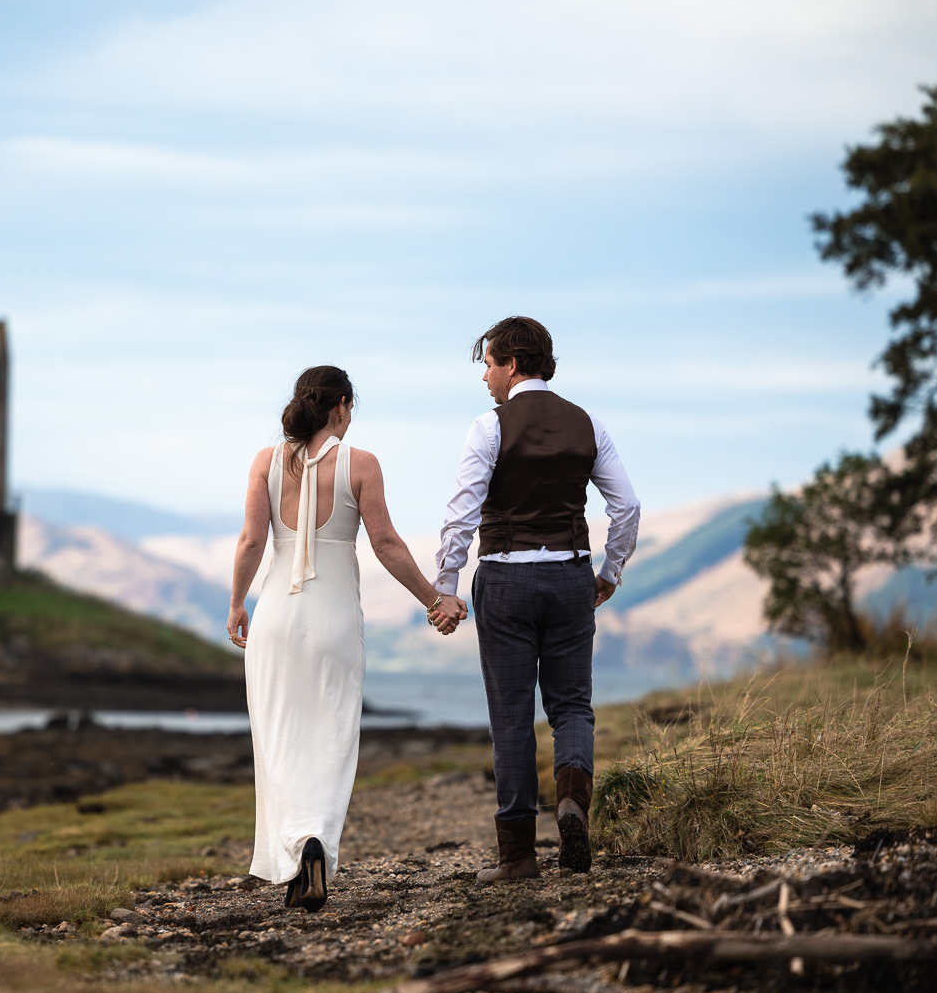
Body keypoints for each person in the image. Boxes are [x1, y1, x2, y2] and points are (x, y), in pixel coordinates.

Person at [228, 365, 462, 912]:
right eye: (350, 409)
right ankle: (316, 842)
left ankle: (294, 852)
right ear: (341, 407)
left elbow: (249, 541)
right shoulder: (361, 464)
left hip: (275, 620)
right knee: (331, 737)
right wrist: (435, 601)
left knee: (280, 740)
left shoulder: (265, 462)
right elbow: (385, 542)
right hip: (332, 621)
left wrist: (239, 602)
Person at [432, 317, 640, 882]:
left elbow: (461, 514)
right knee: (572, 705)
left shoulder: (488, 427)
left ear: (514, 364)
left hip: (505, 581)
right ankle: (572, 803)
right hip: (572, 576)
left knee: (512, 717)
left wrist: (446, 587)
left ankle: (519, 855)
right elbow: (627, 507)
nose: (486, 377)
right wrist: (609, 572)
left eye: (490, 364)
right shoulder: (587, 423)